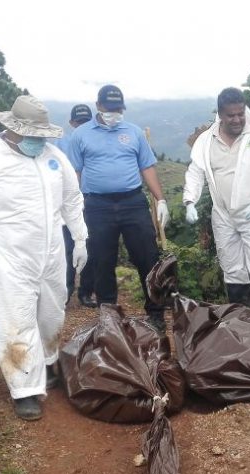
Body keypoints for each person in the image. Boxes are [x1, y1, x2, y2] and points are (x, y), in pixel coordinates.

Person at [0, 95, 88, 421]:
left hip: (51, 253)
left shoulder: (54, 159)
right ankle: (24, 389)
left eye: (42, 136)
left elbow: (71, 199)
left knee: (52, 313)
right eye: (32, 135)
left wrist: (80, 238)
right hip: (4, 256)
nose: (38, 141)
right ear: (12, 129)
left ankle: (49, 361)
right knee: (16, 318)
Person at [64, 85, 169, 329]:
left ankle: (155, 312)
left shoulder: (134, 133)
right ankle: (109, 314)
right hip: (97, 205)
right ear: (98, 106)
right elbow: (75, 173)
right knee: (102, 260)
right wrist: (71, 206)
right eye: (109, 108)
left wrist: (160, 199)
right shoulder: (81, 135)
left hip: (133, 202)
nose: (114, 112)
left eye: (118, 108)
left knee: (148, 257)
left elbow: (147, 167)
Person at [182, 88, 250, 317]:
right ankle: (240, 323)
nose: (237, 119)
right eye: (231, 115)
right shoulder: (206, 141)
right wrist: (190, 200)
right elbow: (196, 172)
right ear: (220, 114)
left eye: (241, 113)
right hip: (223, 215)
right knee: (232, 268)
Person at [56, 104, 94, 305]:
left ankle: (86, 292)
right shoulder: (61, 143)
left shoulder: (97, 140)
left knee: (90, 244)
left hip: (92, 198)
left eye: (87, 121)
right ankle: (66, 290)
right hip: (68, 201)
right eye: (79, 122)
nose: (82, 125)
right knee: (69, 246)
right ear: (72, 123)